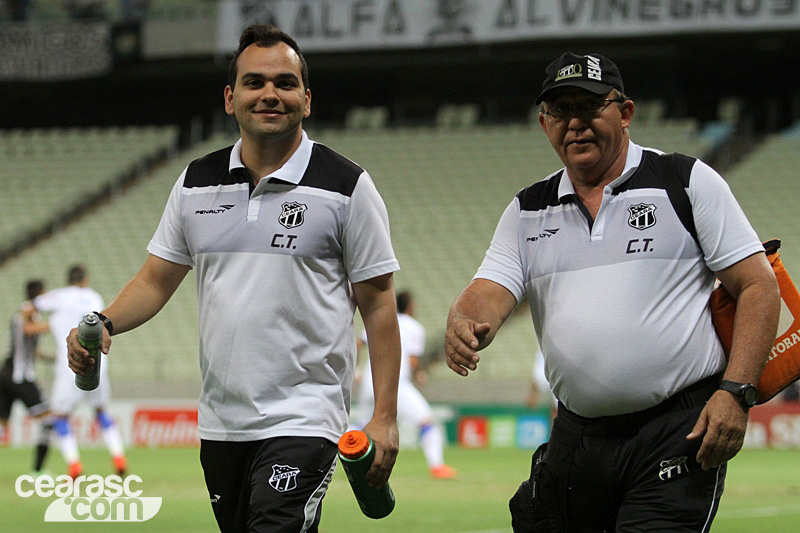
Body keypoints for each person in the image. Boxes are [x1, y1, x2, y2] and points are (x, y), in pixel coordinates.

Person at [67, 24, 401, 533]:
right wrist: (105, 321)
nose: (270, 93)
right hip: (222, 421)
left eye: (286, 83)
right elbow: (156, 280)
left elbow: (378, 306)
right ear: (230, 98)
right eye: (254, 82)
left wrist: (384, 416)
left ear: (306, 100)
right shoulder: (194, 181)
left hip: (305, 418)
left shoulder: (347, 186)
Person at [445, 52, 780, 531]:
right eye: (560, 111)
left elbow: (758, 286)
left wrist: (736, 393)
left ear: (625, 113)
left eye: (589, 106)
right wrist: (465, 319)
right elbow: (490, 287)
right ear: (544, 124)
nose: (575, 123)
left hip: (676, 432)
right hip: (578, 437)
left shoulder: (684, 181)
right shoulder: (527, 209)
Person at [34, 265, 127, 480]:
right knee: (101, 412)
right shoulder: (95, 297)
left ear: (69, 280)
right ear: (85, 280)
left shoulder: (59, 296)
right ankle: (119, 457)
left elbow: (31, 307)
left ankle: (74, 464)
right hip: (99, 364)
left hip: (70, 364)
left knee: (60, 417)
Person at [355, 290, 456, 479]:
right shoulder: (414, 327)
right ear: (409, 306)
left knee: (361, 428)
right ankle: (437, 466)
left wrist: (356, 370)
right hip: (394, 384)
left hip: (369, 382)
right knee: (427, 421)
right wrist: (419, 375)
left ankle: (334, 455)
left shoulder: (381, 319)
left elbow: (358, 343)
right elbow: (412, 361)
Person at [0, 280, 52, 474]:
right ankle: (38, 472)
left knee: (1, 425)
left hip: (5, 374)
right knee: (49, 421)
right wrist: (57, 322)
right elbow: (28, 329)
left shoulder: (24, 312)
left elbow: (30, 348)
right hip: (20, 377)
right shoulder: (27, 312)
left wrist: (54, 358)